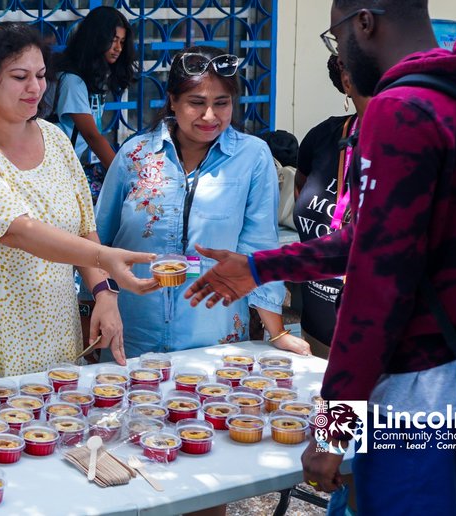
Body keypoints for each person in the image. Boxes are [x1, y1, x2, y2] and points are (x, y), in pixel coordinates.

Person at [186, 0, 456, 514]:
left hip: (420, 403)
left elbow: (375, 287)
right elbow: (376, 240)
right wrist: (260, 267)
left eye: (337, 35)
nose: (340, 53)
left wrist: (333, 430)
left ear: (363, 23)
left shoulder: (401, 110)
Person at [0, 22, 159, 380]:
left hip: (50, 318)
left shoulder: (54, 138)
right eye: (19, 77)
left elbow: (83, 226)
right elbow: (18, 231)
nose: (35, 87)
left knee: (52, 409)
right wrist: (105, 257)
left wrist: (104, 291)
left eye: (41, 76)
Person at [94, 46, 310, 359]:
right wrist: (91, 309)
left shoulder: (252, 156)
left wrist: (277, 332)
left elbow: (259, 247)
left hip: (212, 338)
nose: (210, 116)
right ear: (172, 100)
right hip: (132, 333)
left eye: (222, 103)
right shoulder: (135, 154)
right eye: (196, 103)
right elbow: (98, 240)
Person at [290, 54, 371, 358]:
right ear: (346, 81)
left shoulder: (419, 152)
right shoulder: (323, 137)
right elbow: (301, 191)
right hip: (314, 334)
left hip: (373, 346)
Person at [51, 6, 134, 199]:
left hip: (70, 165)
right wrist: (124, 178)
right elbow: (91, 135)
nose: (118, 48)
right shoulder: (72, 80)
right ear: (97, 39)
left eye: (122, 42)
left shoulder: (95, 76)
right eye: (113, 40)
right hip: (53, 168)